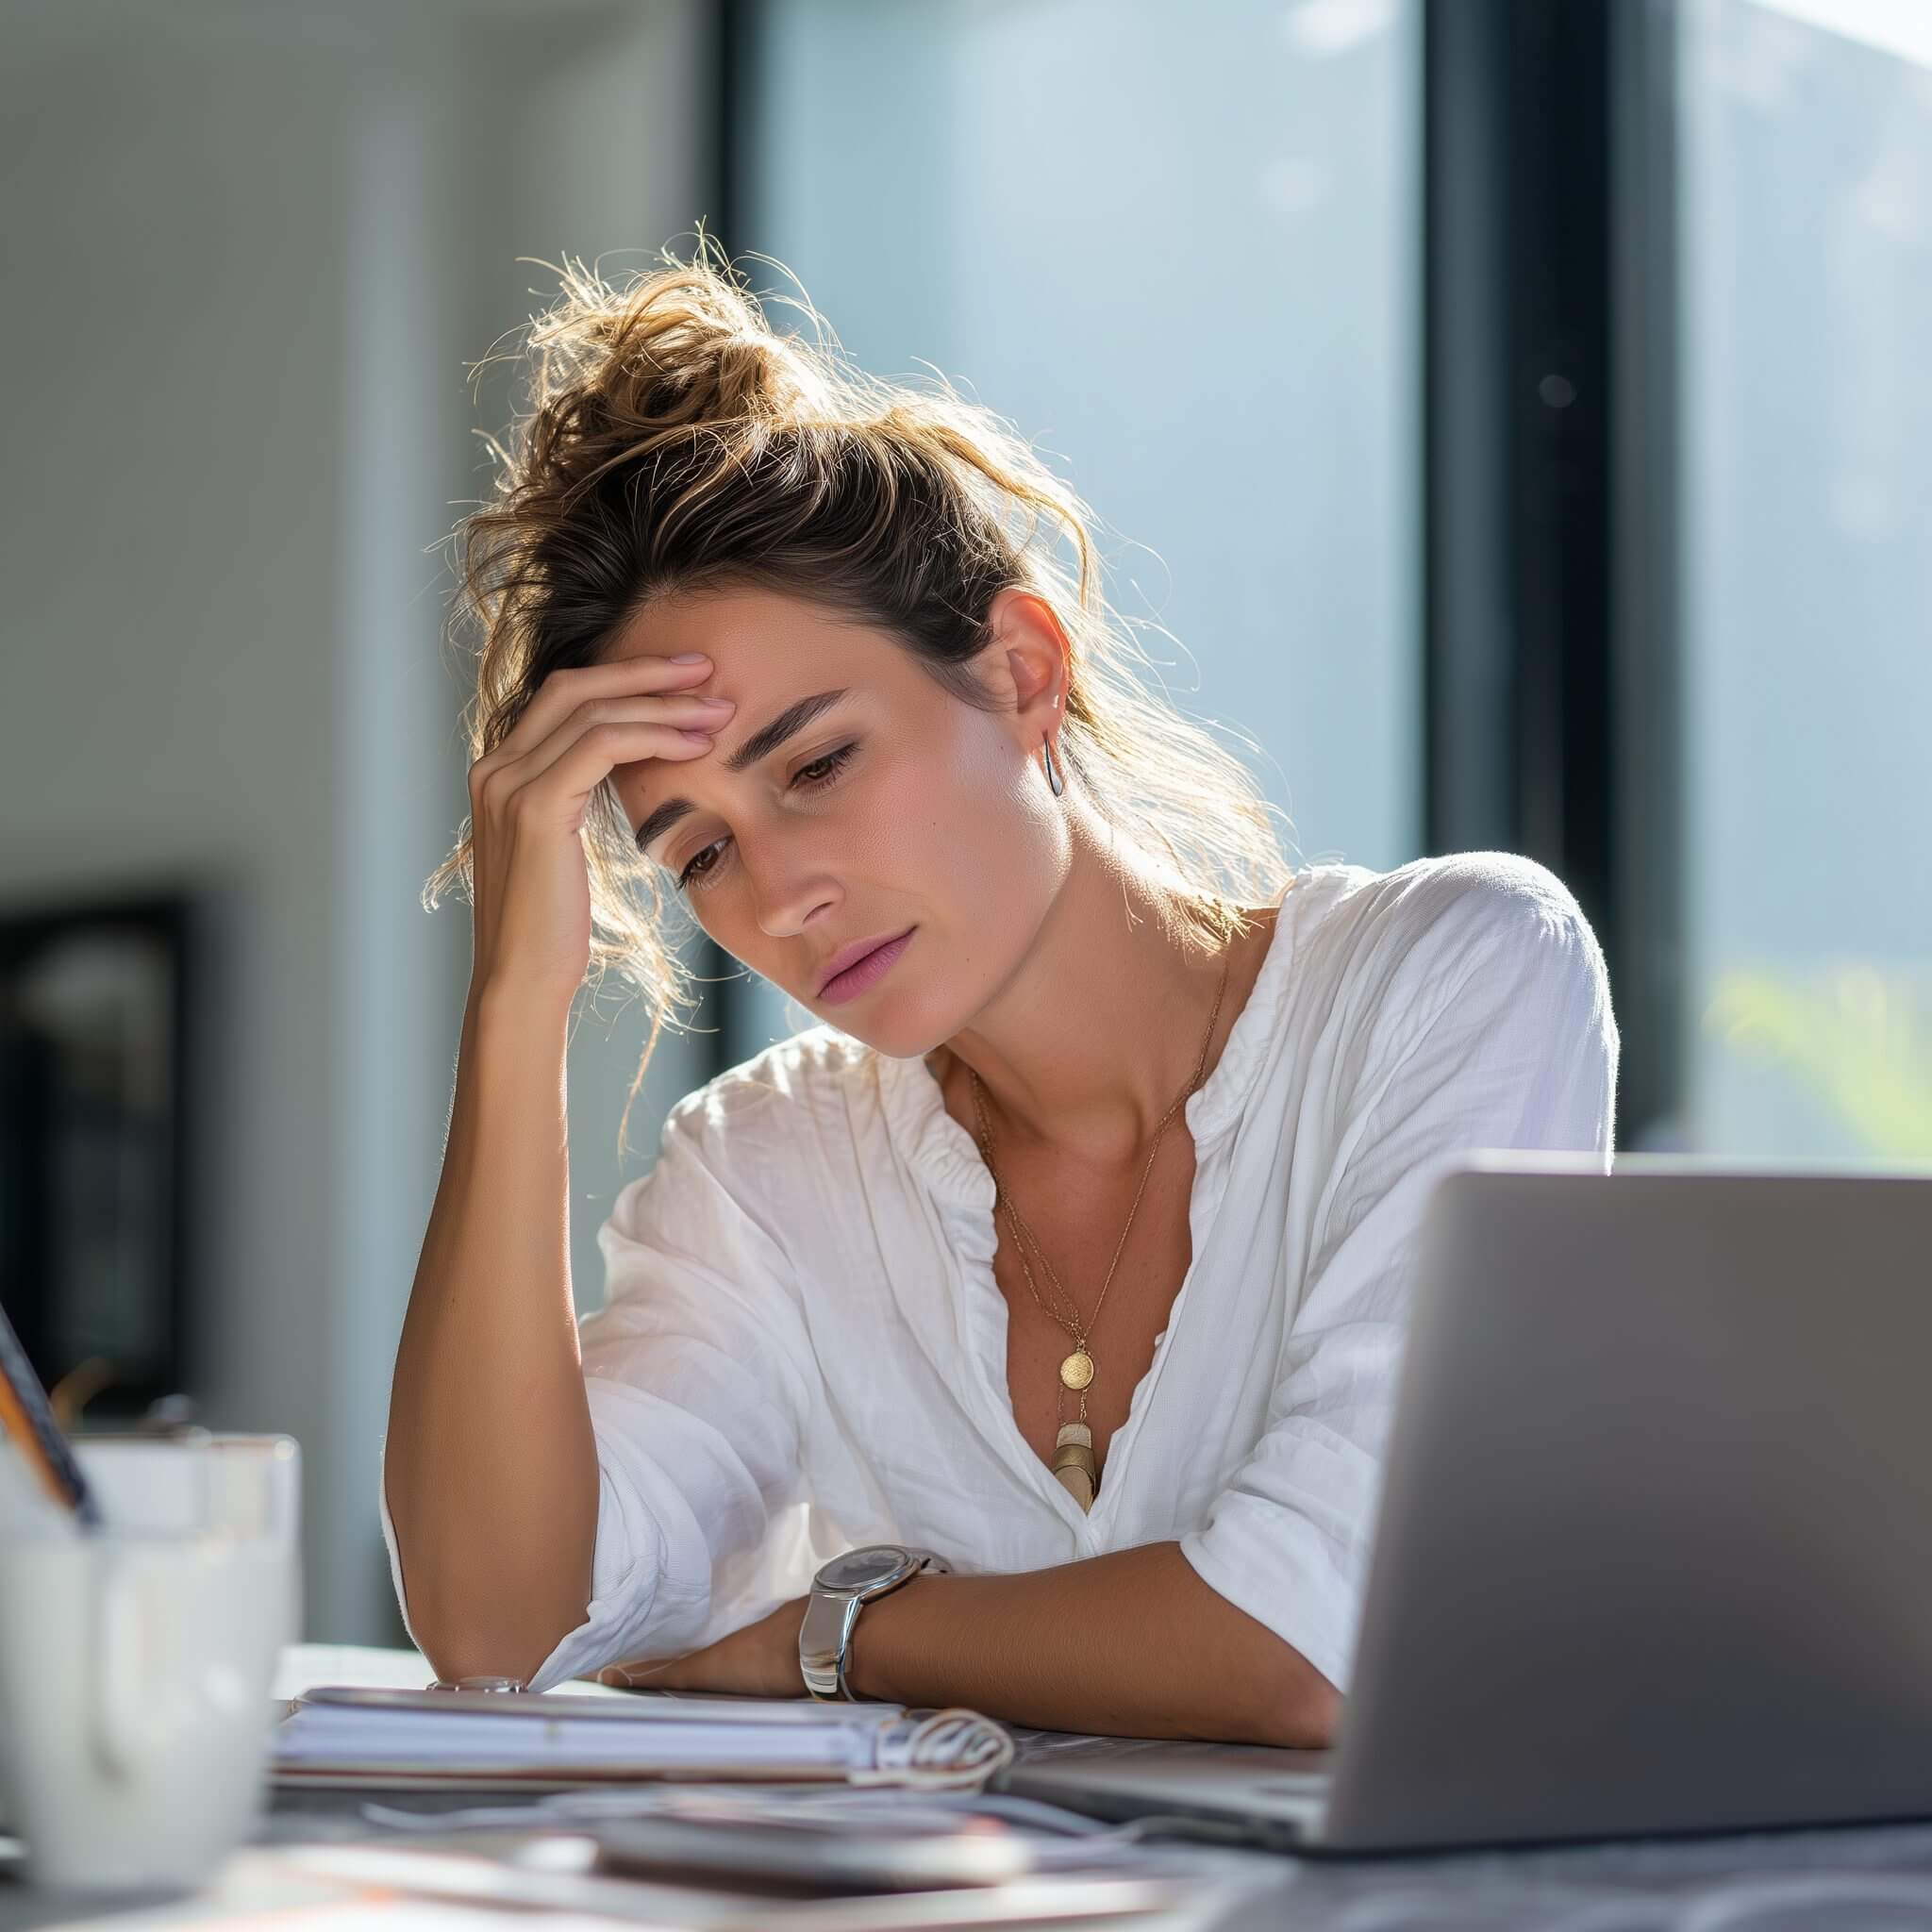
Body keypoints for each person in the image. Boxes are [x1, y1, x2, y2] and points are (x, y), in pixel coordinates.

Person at [380, 237, 1620, 1750]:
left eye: (819, 763)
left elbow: (1317, 1645)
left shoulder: (1451, 980)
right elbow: (503, 1625)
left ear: (1024, 671)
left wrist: (831, 1640)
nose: (778, 899)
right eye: (698, 853)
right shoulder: (769, 1171)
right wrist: (514, 999)